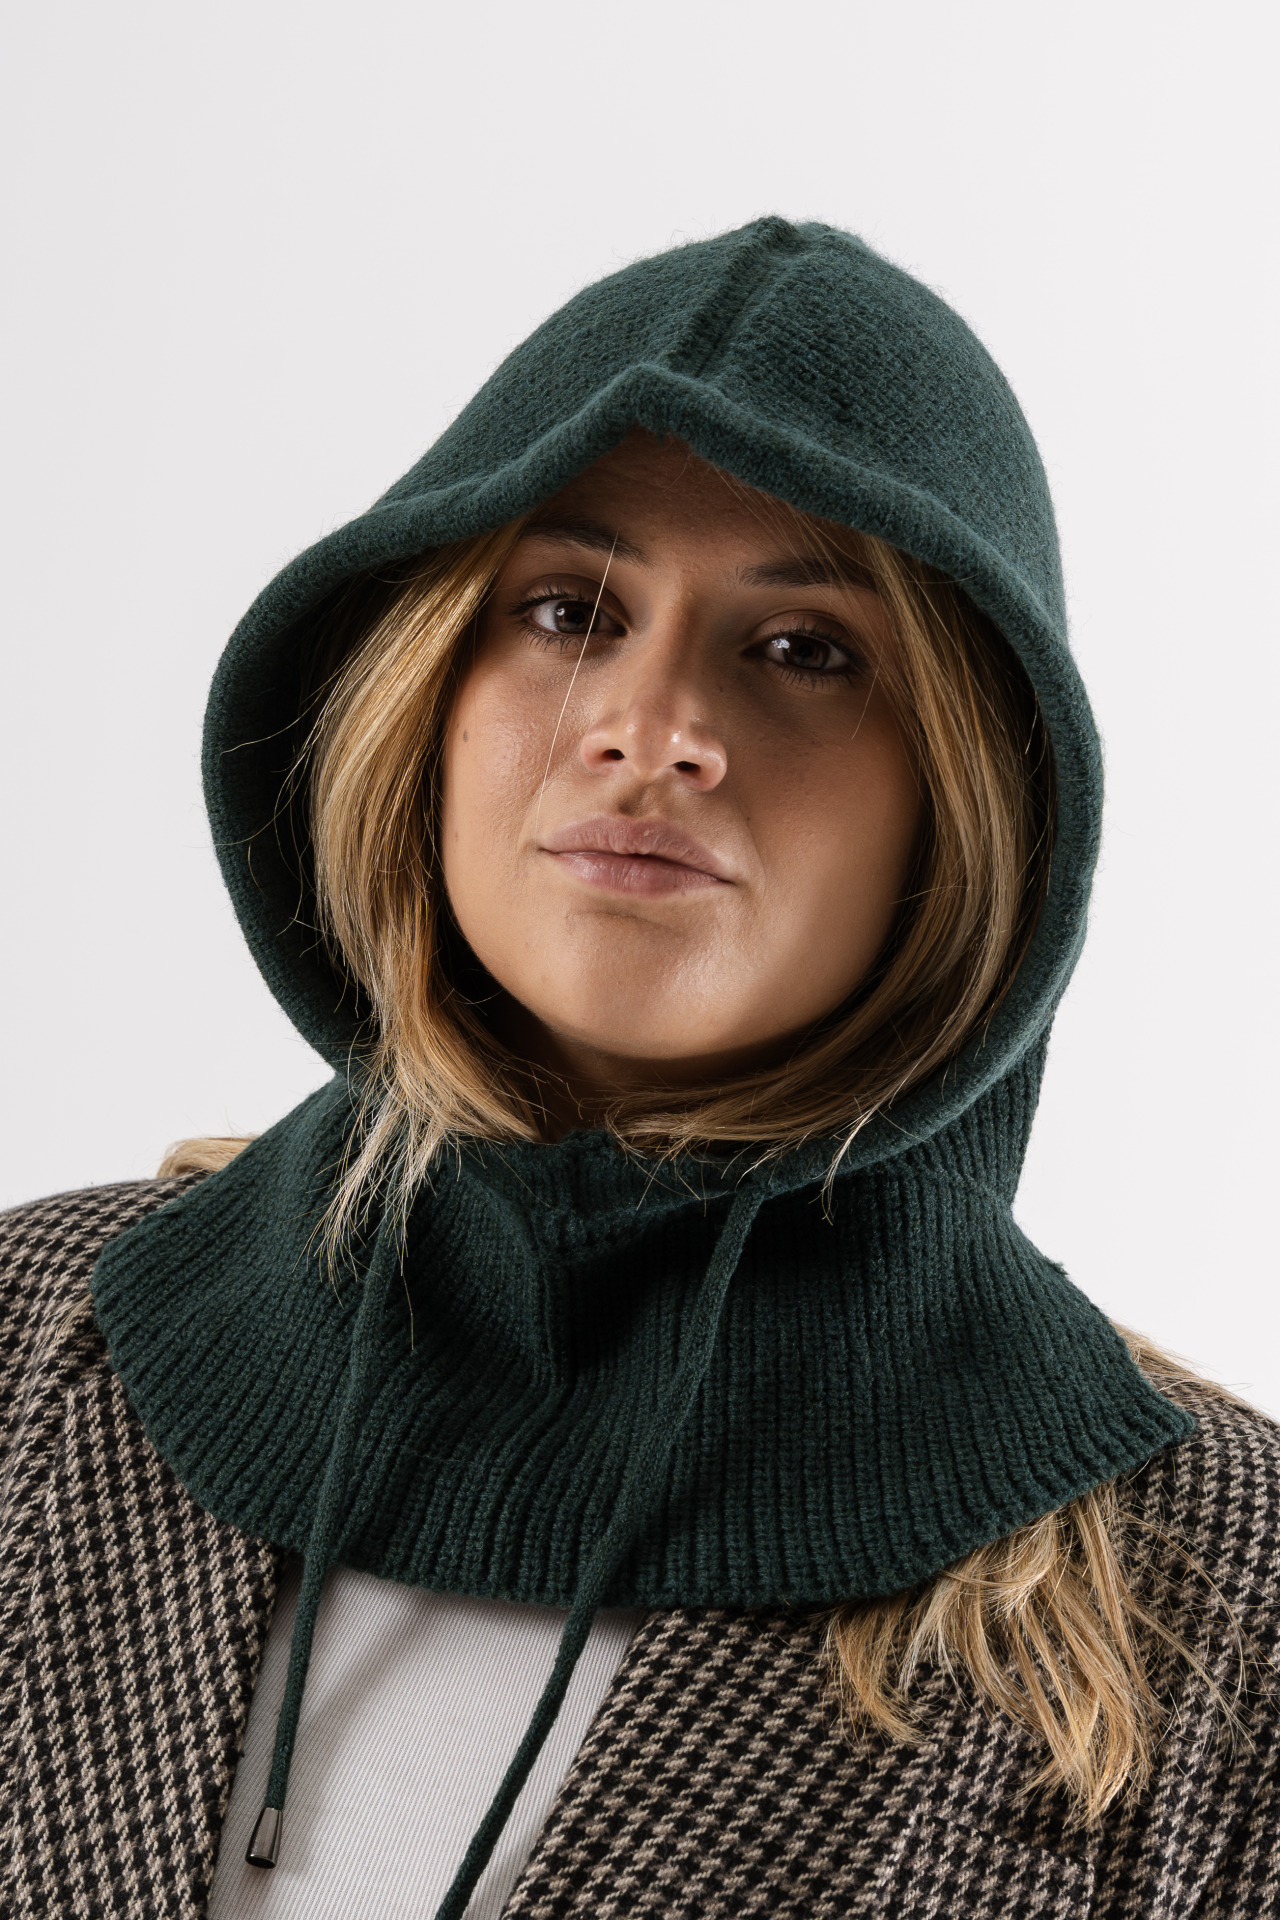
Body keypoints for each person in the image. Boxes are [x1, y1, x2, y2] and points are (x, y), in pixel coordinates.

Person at [1, 217, 1275, 1920]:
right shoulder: (26, 1352)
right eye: (565, 611)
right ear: (420, 693)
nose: (654, 728)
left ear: (973, 803)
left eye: (807, 647)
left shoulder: (1228, 1618)